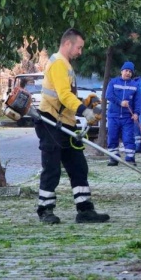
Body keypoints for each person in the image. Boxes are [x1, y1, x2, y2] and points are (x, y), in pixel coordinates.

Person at [34, 28, 109, 224]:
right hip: (50, 122)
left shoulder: (65, 64)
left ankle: (85, 210)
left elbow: (68, 94)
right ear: (68, 43)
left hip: (65, 123)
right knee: (52, 169)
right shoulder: (58, 63)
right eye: (79, 47)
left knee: (78, 167)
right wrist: (84, 111)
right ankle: (45, 210)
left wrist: (87, 102)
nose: (80, 52)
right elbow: (63, 96)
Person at [105, 61, 139, 166]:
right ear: (121, 71)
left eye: (130, 71)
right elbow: (108, 95)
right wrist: (120, 102)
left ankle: (130, 158)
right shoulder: (113, 82)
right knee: (112, 137)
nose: (128, 73)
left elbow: (137, 101)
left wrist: (136, 113)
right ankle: (114, 158)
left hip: (127, 117)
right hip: (113, 116)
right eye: (126, 70)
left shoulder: (135, 85)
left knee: (128, 137)